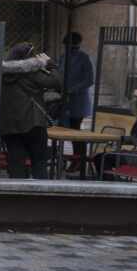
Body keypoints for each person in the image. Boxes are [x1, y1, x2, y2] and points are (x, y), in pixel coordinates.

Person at [0, 43, 61, 179]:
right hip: (33, 123)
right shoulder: (30, 72)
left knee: (15, 163)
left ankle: (17, 196)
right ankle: (40, 196)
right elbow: (56, 82)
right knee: (39, 162)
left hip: (9, 126)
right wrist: (51, 64)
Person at [59, 32, 95, 173]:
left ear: (77, 46)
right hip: (63, 100)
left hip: (77, 100)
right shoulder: (62, 57)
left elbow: (89, 79)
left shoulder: (84, 58)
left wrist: (73, 89)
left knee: (75, 131)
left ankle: (78, 161)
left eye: (73, 47)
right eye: (68, 47)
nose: (70, 50)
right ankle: (60, 159)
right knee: (61, 130)